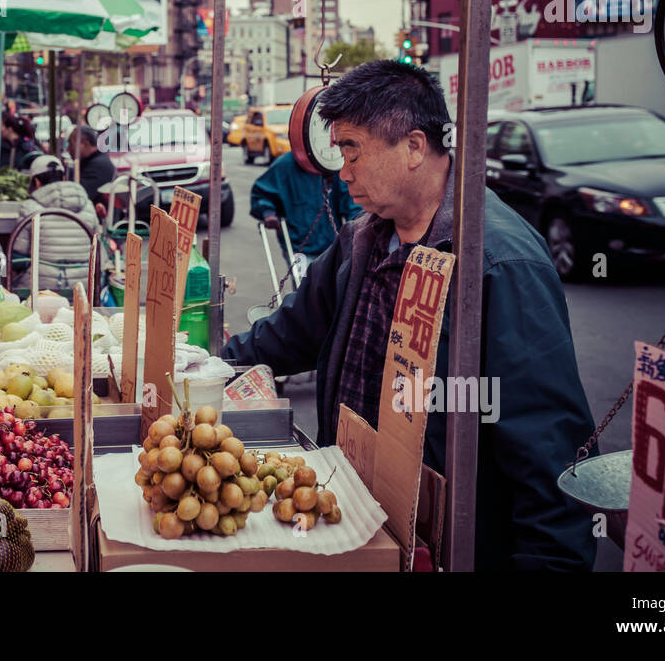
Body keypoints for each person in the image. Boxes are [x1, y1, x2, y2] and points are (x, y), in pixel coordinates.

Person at [223, 61, 597, 571]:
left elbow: (547, 444)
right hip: (358, 518)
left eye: (352, 150)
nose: (344, 171)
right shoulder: (363, 238)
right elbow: (292, 332)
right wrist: (211, 365)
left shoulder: (497, 262)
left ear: (415, 147)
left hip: (451, 545)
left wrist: (547, 562)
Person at [250, 151, 361, 262]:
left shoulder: (332, 165)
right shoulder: (284, 164)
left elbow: (351, 202)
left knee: (334, 279)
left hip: (332, 246)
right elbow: (261, 193)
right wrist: (268, 212)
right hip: (298, 247)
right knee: (303, 279)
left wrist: (359, 226)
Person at [13, 155, 98, 293]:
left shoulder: (29, 207)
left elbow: (18, 256)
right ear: (64, 177)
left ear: (36, 181)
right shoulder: (88, 205)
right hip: (84, 286)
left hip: (41, 287)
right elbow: (99, 248)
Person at [68, 125, 115, 206]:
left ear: (85, 144)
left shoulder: (99, 166)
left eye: (71, 144)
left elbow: (79, 197)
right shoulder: (93, 161)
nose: (68, 149)